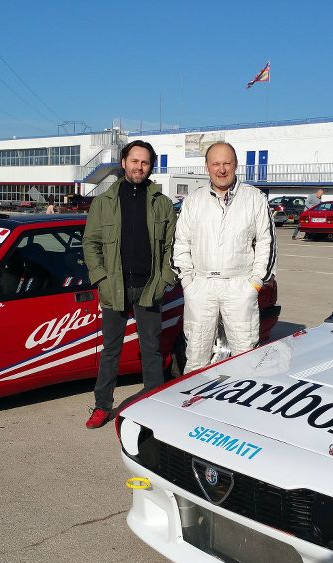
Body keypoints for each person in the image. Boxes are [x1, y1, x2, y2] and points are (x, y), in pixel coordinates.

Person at [83, 140, 176, 429]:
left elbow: (170, 247)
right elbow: (91, 243)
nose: (139, 167)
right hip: (115, 288)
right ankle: (102, 406)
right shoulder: (104, 202)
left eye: (145, 162)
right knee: (111, 349)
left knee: (151, 348)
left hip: (149, 287)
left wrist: (164, 280)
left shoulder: (162, 203)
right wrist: (101, 279)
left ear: (150, 166)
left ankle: (154, 404)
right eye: (134, 161)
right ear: (124, 163)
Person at [174, 142, 276, 373]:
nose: (222, 169)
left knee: (246, 357)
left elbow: (266, 242)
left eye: (227, 163)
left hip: (239, 286)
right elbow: (180, 243)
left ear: (236, 164)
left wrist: (255, 283)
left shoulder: (255, 198)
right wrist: (188, 283)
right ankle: (193, 403)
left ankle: (242, 404)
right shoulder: (194, 200)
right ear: (207, 166)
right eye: (216, 164)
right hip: (201, 286)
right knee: (196, 357)